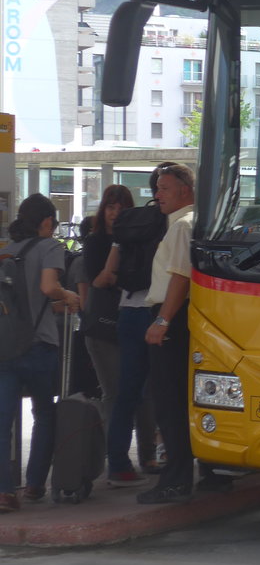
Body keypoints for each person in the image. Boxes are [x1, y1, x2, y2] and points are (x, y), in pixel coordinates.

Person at [0, 193, 81, 513]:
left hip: (5, 347)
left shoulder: (6, 250)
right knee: (44, 414)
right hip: (39, 345)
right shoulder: (50, 247)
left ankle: (5, 492)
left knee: (2, 420)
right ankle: (35, 484)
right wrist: (69, 294)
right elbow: (48, 289)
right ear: (47, 222)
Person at [138, 162, 213, 503]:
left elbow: (180, 278)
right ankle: (208, 472)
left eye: (164, 188)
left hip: (173, 317)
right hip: (182, 317)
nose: (158, 194)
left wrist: (163, 322)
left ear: (185, 190)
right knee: (186, 400)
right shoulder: (187, 223)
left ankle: (176, 478)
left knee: (170, 403)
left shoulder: (183, 225)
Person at [83, 184, 160, 476]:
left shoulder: (141, 236)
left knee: (142, 392)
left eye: (121, 208)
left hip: (130, 316)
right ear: (102, 210)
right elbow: (97, 281)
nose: (115, 214)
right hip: (105, 326)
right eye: (110, 207)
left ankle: (147, 455)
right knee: (119, 393)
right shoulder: (97, 241)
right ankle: (115, 459)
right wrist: (118, 268)